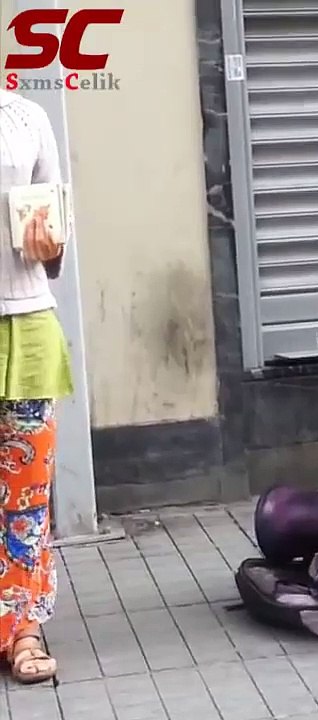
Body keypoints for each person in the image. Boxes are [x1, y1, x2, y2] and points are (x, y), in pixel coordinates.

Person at [0, 90, 74, 685]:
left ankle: (24, 627)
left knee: (25, 501)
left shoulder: (26, 118)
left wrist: (51, 245)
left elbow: (55, 233)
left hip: (25, 324)